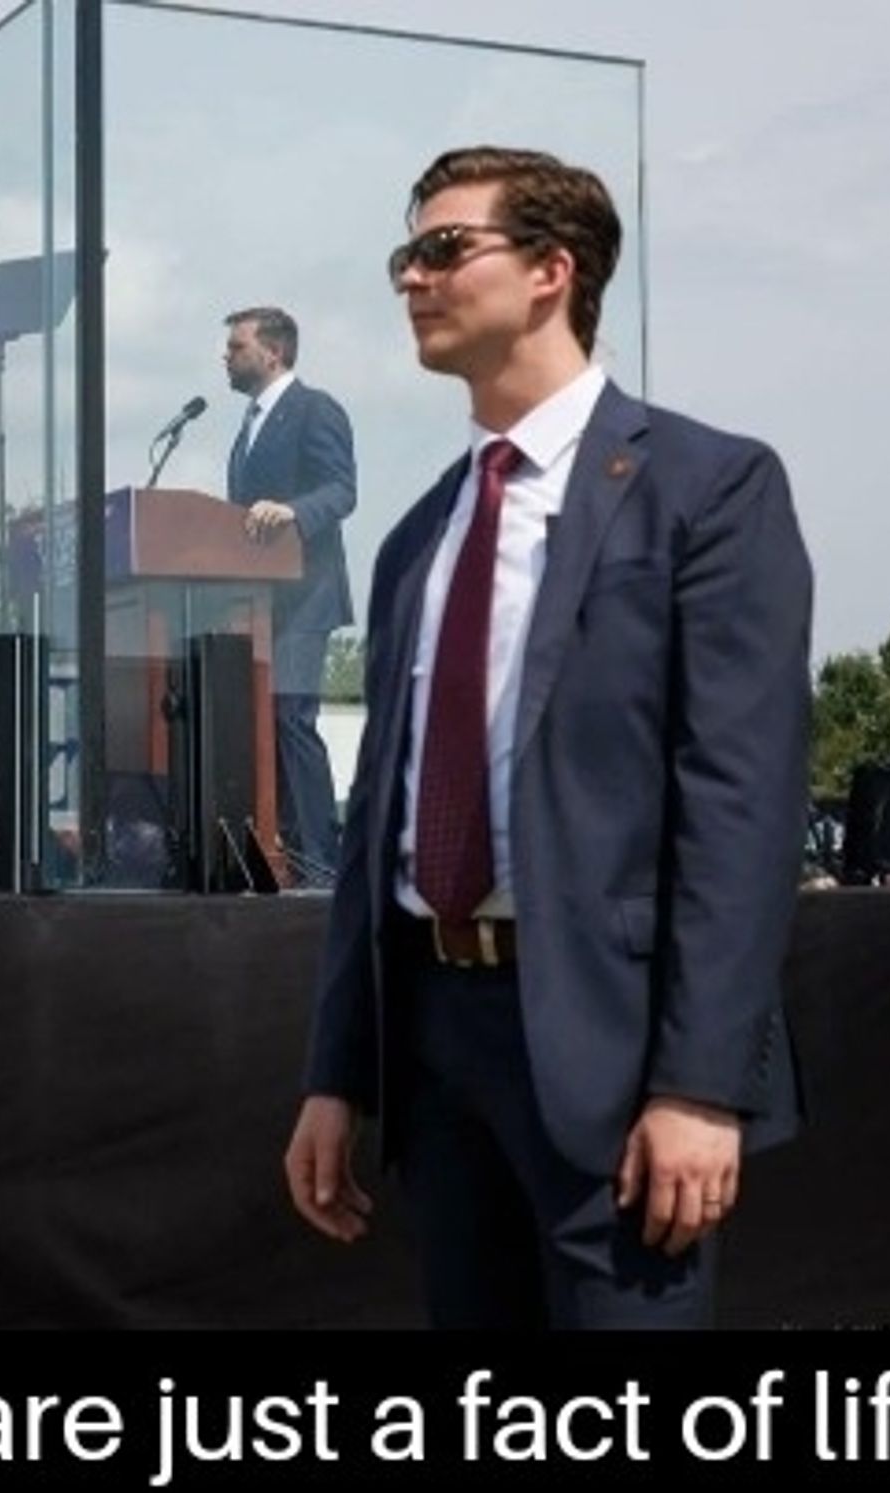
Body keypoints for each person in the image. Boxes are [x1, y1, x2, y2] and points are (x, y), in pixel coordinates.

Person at [284, 146, 812, 1329]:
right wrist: (336, 1072)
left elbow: (741, 803)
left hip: (615, 1056)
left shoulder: (707, 489)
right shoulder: (418, 533)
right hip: (435, 1047)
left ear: (548, 271)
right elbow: (378, 817)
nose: (409, 279)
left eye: (440, 249)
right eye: (402, 256)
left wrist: (697, 1082)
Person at [221, 306, 357, 881]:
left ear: (272, 352)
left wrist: (293, 513)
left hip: (304, 594)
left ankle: (323, 864)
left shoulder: (314, 409)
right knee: (260, 723)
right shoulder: (245, 428)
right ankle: (283, 855)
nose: (225, 356)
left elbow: (342, 490)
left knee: (291, 715)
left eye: (236, 347)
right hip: (256, 603)